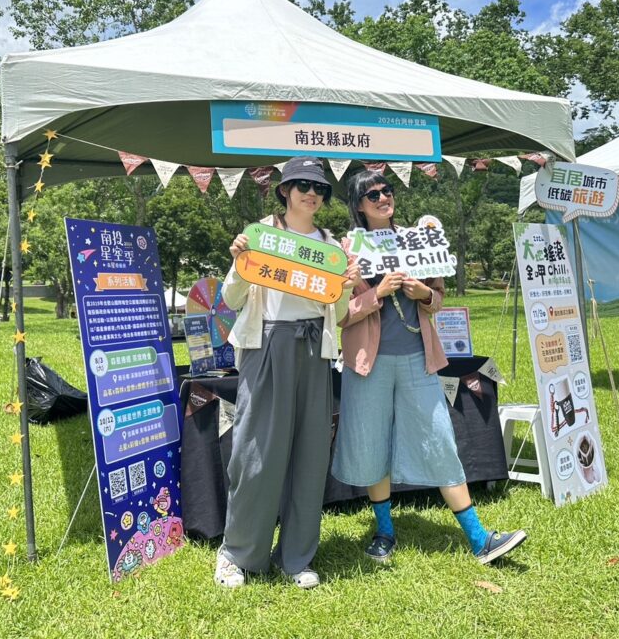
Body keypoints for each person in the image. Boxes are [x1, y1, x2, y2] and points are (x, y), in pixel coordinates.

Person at [332, 170, 527, 566]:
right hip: (367, 364)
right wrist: (376, 294)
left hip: (419, 359)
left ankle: (479, 537)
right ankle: (384, 531)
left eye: (387, 191)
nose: (384, 198)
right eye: (373, 194)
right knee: (372, 444)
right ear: (358, 205)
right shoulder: (347, 250)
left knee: (439, 437)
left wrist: (423, 293)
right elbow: (338, 315)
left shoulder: (419, 240)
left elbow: (437, 299)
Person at [214, 157, 359, 590]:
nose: (310, 194)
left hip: (316, 349)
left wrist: (347, 283)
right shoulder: (261, 236)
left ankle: (297, 556)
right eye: (301, 186)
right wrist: (241, 261)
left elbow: (338, 311)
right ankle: (238, 554)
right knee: (256, 453)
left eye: (318, 188)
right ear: (285, 190)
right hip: (268, 345)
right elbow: (231, 296)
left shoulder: (332, 246)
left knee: (310, 455)